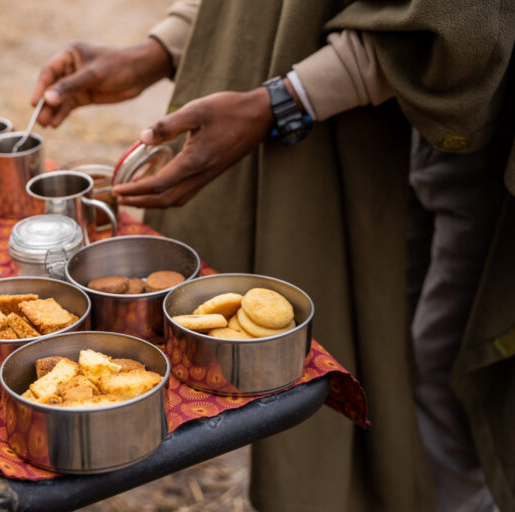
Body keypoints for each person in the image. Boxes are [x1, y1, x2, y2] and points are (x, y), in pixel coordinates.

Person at [30, 1, 515, 510]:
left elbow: (460, 19)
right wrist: (160, 49)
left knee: (451, 362)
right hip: (376, 118)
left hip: (478, 125)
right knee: (393, 343)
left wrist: (285, 101)